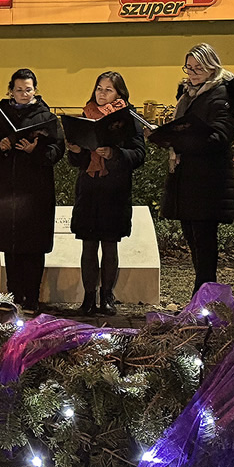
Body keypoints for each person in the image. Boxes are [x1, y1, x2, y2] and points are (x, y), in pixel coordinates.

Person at [149, 43, 234, 294]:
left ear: (212, 68)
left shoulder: (221, 96)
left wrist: (182, 139)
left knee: (204, 245)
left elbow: (220, 137)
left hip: (208, 183)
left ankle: (205, 299)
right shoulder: (188, 95)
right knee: (193, 241)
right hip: (186, 180)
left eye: (199, 68)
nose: (192, 73)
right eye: (189, 67)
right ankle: (202, 298)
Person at [0, 68, 62, 313]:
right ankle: (12, 296)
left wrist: (35, 150)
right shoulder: (1, 116)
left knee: (33, 246)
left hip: (35, 192)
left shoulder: (46, 118)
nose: (24, 94)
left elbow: (57, 152)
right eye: (19, 90)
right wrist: (0, 145)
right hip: (7, 191)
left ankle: (32, 298)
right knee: (11, 245)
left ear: (35, 90)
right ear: (10, 90)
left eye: (28, 89)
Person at [64, 71, 148, 316]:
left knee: (110, 245)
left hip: (114, 191)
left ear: (119, 93)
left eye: (108, 89)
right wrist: (76, 150)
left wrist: (113, 155)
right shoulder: (86, 114)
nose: (102, 93)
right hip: (89, 189)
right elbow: (77, 161)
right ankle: (88, 297)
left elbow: (139, 154)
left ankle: (107, 296)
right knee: (88, 246)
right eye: (99, 88)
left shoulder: (128, 118)